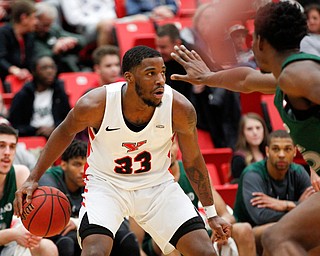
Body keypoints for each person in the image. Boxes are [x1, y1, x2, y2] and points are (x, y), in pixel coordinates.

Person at [13, 45, 231, 256]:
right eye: (150, 73)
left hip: (157, 186)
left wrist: (211, 214)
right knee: (95, 251)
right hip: (107, 185)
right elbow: (63, 132)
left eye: (162, 73)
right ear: (129, 77)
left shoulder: (179, 108)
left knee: (204, 251)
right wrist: (33, 178)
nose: (160, 81)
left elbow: (193, 160)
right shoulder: (96, 103)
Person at [171, 1, 320, 255]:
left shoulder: (297, 74)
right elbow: (245, 79)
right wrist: (207, 77)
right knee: (291, 239)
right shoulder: (287, 76)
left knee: (279, 239)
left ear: (260, 42)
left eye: (251, 40)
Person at [134, 138, 256, 256]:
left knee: (243, 229)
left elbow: (226, 215)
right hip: (160, 241)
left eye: (171, 144)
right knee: (172, 242)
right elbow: (136, 244)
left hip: (196, 232)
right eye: (161, 146)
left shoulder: (192, 173)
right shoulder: (142, 181)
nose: (168, 150)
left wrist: (221, 231)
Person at [38, 139, 140, 256]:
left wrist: (76, 223)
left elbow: (120, 219)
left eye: (86, 164)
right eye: (77, 164)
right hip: (58, 237)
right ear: (63, 165)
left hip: (87, 229)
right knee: (67, 242)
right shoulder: (49, 182)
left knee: (126, 238)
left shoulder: (96, 177)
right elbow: (54, 224)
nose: (83, 171)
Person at [234, 129, 313, 255]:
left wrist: (284, 204)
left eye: (287, 149)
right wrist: (298, 206)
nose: (281, 154)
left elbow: (311, 211)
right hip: (250, 232)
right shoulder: (253, 174)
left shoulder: (298, 172)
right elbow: (260, 217)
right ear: (267, 151)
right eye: (276, 149)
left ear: (294, 152)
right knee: (278, 231)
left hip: (284, 226)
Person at [0, 123, 58, 256]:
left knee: (46, 247)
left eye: (12, 147)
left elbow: (26, 222)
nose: (7, 152)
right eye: (1, 146)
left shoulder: (20, 174)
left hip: (6, 246)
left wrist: (31, 233)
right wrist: (13, 234)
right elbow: (15, 234)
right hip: (8, 237)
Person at [8, 55, 71, 138]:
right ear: (34, 71)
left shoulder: (59, 92)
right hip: (30, 138)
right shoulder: (23, 95)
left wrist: (54, 128)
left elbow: (67, 120)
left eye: (52, 67)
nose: (50, 71)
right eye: (44, 68)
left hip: (56, 137)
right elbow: (15, 126)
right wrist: (35, 130)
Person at [34, 2, 88, 73]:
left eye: (49, 25)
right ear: (35, 20)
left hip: (63, 67)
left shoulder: (52, 30)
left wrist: (72, 40)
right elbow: (37, 56)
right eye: (44, 25)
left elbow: (83, 40)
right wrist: (55, 50)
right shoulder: (29, 34)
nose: (47, 29)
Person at [0, 0, 37, 88]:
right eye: (33, 18)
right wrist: (14, 70)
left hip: (24, 81)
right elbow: (0, 58)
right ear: (23, 18)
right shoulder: (3, 33)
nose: (36, 22)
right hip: (4, 79)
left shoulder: (29, 36)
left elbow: (30, 61)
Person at [155, 23, 193, 101]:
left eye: (163, 47)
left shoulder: (193, 60)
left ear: (177, 44)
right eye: (157, 46)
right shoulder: (161, 61)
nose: (159, 51)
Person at [231, 112, 269, 183]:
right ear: (243, 133)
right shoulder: (239, 159)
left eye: (258, 128)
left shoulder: (269, 153)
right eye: (249, 129)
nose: (255, 132)